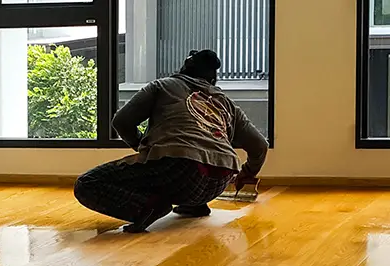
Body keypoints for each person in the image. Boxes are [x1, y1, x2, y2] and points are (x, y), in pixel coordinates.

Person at [74, 49, 269, 233]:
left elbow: (121, 122)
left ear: (183, 69)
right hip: (219, 180)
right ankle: (195, 205)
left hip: (177, 169)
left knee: (87, 183)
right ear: (212, 79)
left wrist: (142, 146)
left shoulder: (163, 86)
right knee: (190, 164)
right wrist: (246, 173)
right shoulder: (226, 103)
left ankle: (147, 207)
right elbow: (259, 145)